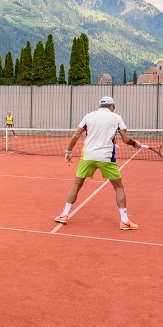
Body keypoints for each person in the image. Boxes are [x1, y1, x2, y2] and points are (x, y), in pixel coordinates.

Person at [55, 96, 141, 230]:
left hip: (87, 157)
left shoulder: (88, 116)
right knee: (118, 187)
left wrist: (68, 151)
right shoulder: (116, 118)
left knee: (77, 184)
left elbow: (76, 135)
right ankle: (124, 221)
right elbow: (125, 139)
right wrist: (135, 143)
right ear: (111, 107)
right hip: (106, 158)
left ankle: (64, 214)